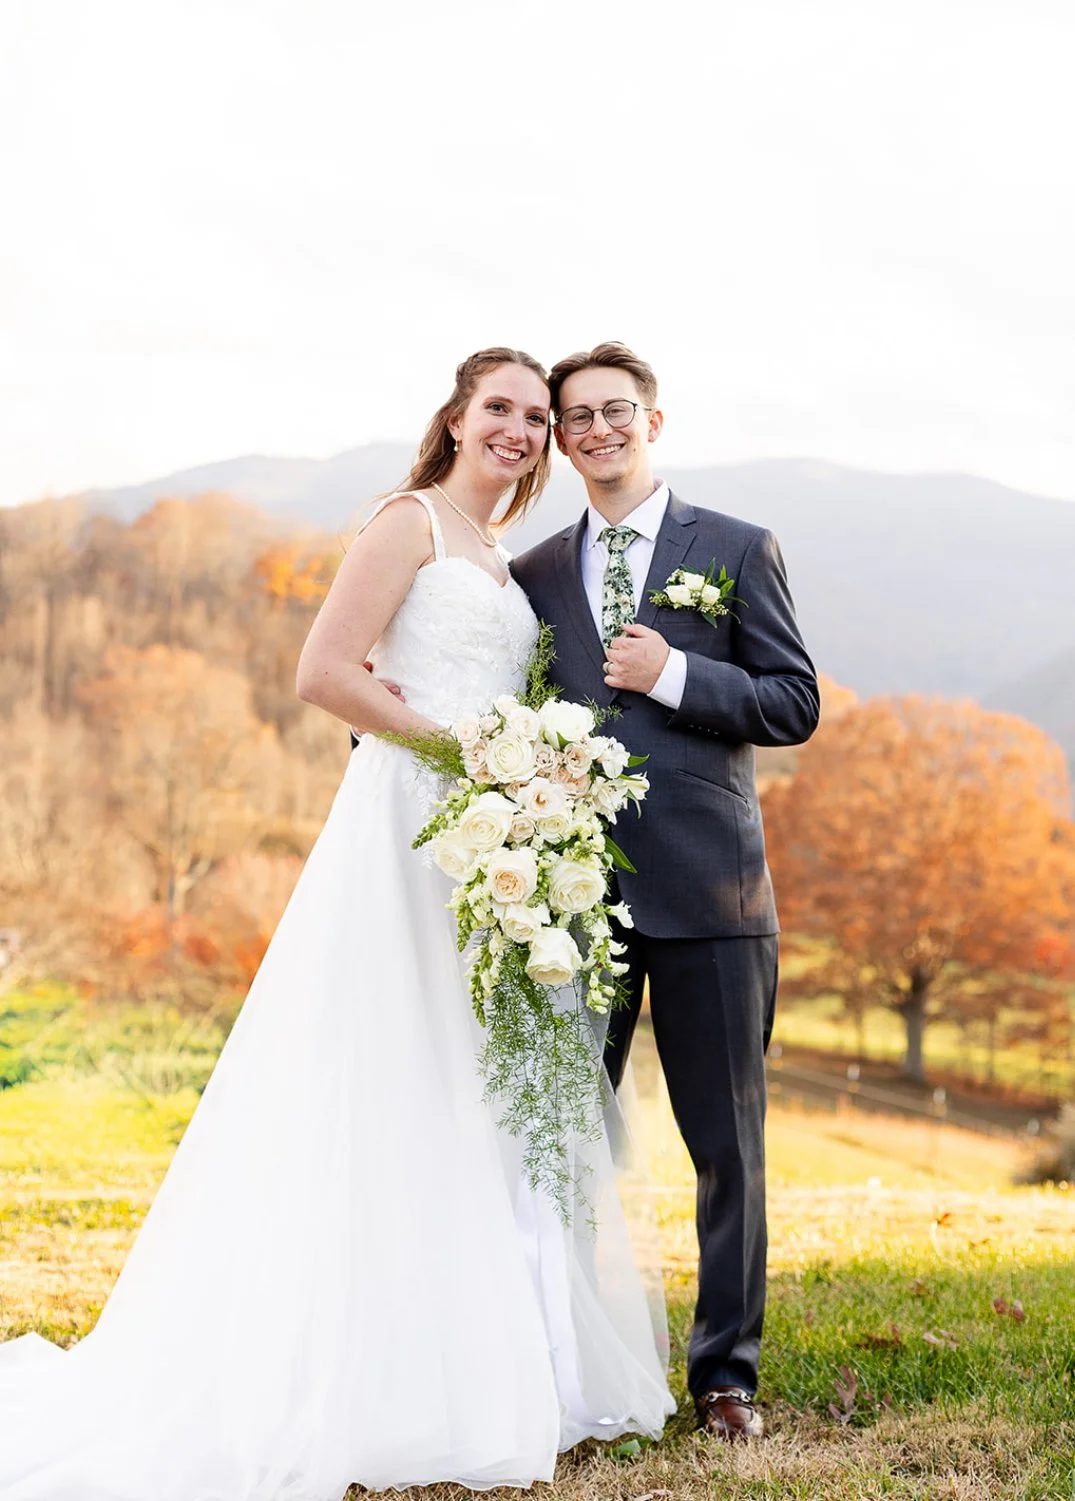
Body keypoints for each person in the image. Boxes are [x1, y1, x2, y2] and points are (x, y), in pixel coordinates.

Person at [0, 347, 674, 1499]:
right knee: (382, 1074)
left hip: (482, 842)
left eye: (531, 416)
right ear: (456, 419)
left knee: (465, 1089)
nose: (517, 429)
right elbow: (322, 671)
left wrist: (524, 779)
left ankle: (481, 1361)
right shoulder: (406, 523)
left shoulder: (499, 559)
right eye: (498, 408)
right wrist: (470, 752)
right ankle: (357, 1371)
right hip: (407, 828)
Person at [512, 341, 820, 1441]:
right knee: (558, 1135)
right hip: (572, 904)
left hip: (715, 898)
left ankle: (724, 1376)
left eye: (613, 411)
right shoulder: (535, 570)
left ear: (654, 419)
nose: (594, 430)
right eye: (573, 418)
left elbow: (793, 701)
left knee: (726, 1147)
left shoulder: (735, 548)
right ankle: (550, 1353)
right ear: (556, 437)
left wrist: (677, 674)